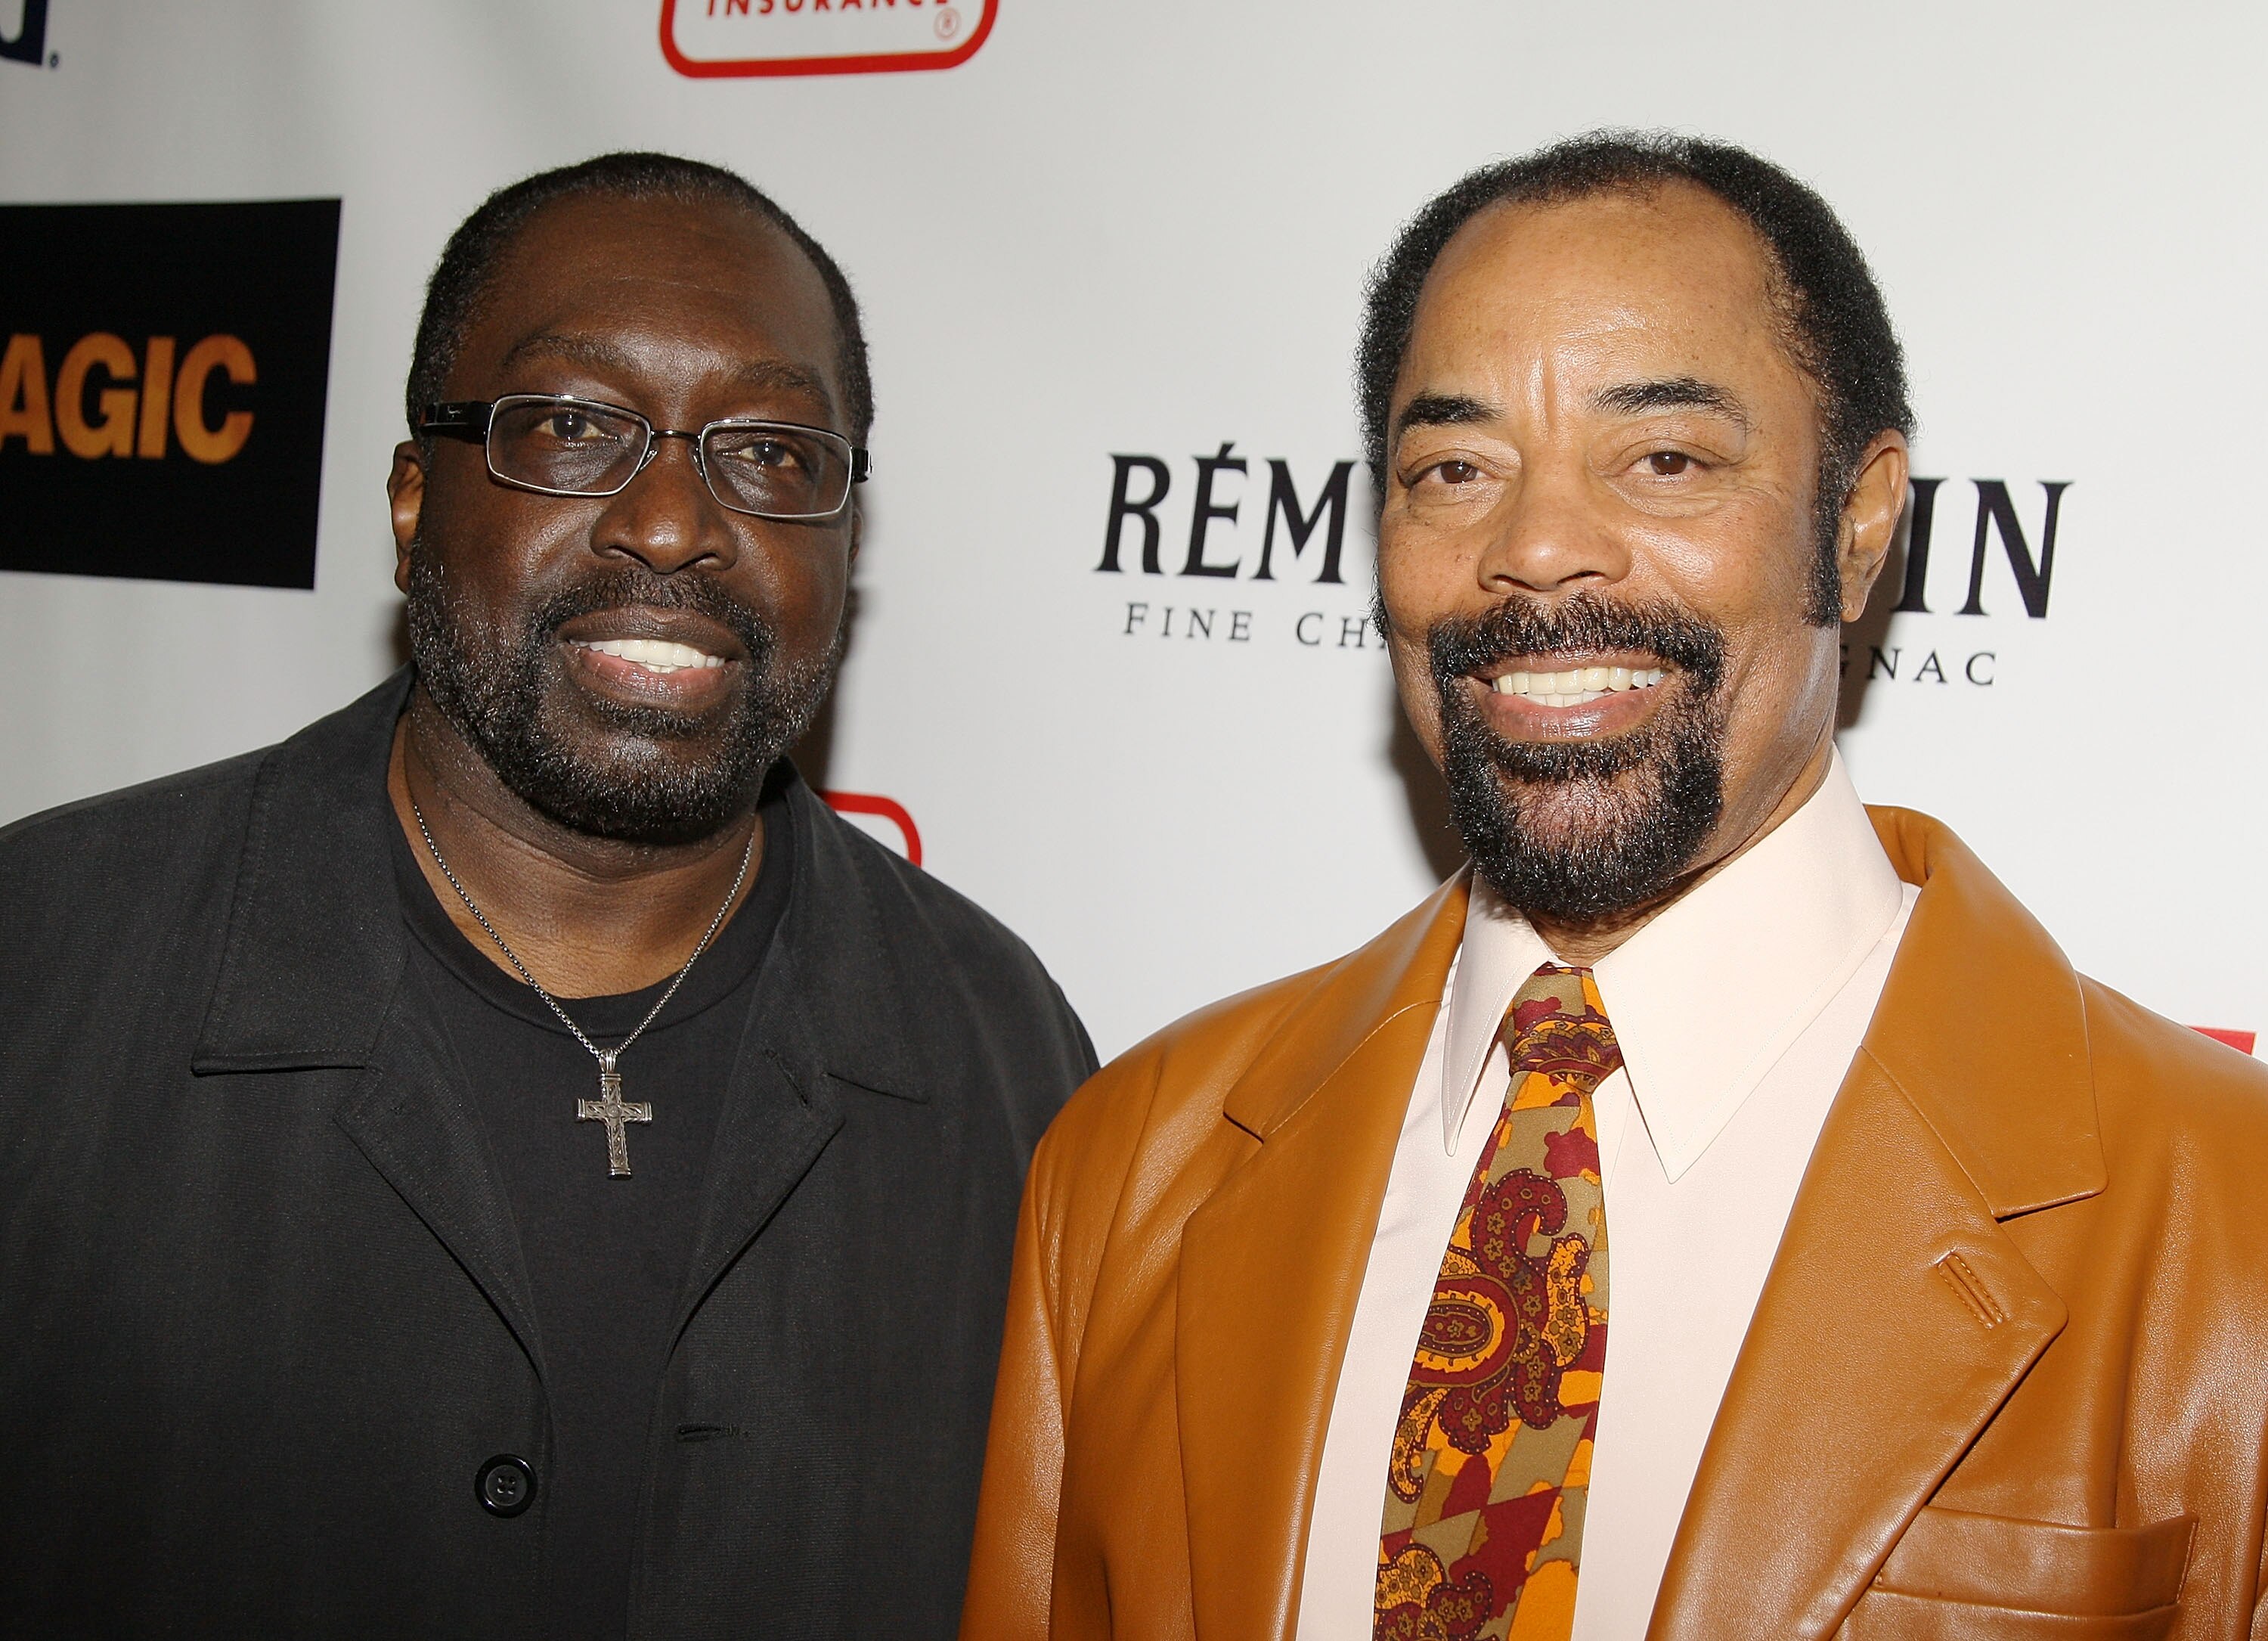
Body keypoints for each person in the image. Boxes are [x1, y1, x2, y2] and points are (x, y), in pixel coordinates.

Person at [960, 131, 2268, 1639]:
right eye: (1455, 467)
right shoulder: (1128, 1173)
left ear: (1857, 521)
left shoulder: (2225, 1224)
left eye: (1664, 459)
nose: (1538, 547)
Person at [0, 152, 1093, 1639]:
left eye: (771, 451)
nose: (668, 523)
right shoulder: (46, 967)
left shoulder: (1006, 1058)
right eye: (572, 426)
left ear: (846, 543)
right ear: (410, 499)